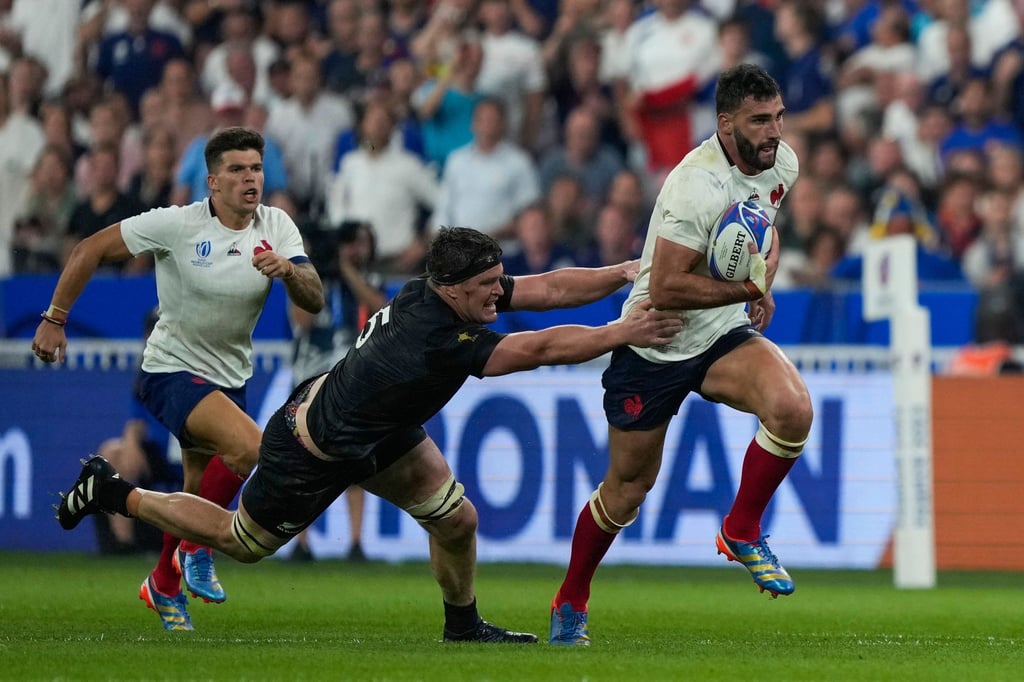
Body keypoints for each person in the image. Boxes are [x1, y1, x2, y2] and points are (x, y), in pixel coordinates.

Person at [54, 226, 683, 642]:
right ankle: (115, 492)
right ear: (452, 289)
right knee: (242, 541)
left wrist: (627, 270)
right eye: (488, 287)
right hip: (313, 446)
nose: (500, 292)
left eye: (498, 281)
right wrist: (620, 333)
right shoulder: (435, 337)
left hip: (380, 431)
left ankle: (461, 626)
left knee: (457, 521)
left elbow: (544, 290)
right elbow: (538, 347)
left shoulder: (439, 292)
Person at [549, 63, 814, 646]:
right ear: (725, 124)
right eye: (759, 121)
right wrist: (750, 289)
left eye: (777, 118)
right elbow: (666, 287)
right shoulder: (694, 185)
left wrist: (761, 275)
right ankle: (571, 599)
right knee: (626, 491)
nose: (774, 132)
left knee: (793, 410)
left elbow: (762, 230)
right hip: (656, 340)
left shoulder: (781, 164)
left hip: (720, 333)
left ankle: (741, 528)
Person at [34, 126, 325, 631]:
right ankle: (194, 549)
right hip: (170, 370)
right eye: (236, 170)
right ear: (212, 182)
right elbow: (89, 249)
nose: (249, 178)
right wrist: (55, 318)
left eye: (255, 168)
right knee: (254, 449)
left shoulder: (276, 224)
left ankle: (163, 585)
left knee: (192, 499)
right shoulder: (177, 224)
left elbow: (315, 299)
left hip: (229, 378)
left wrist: (290, 272)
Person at [288, 220, 388, 562]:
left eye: (359, 243)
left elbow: (378, 308)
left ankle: (356, 541)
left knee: (354, 460)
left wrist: (345, 270)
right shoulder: (310, 281)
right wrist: (311, 268)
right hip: (309, 377)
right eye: (347, 243)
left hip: (350, 380)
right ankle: (301, 542)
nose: (353, 250)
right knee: (303, 462)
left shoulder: (369, 281)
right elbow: (302, 321)